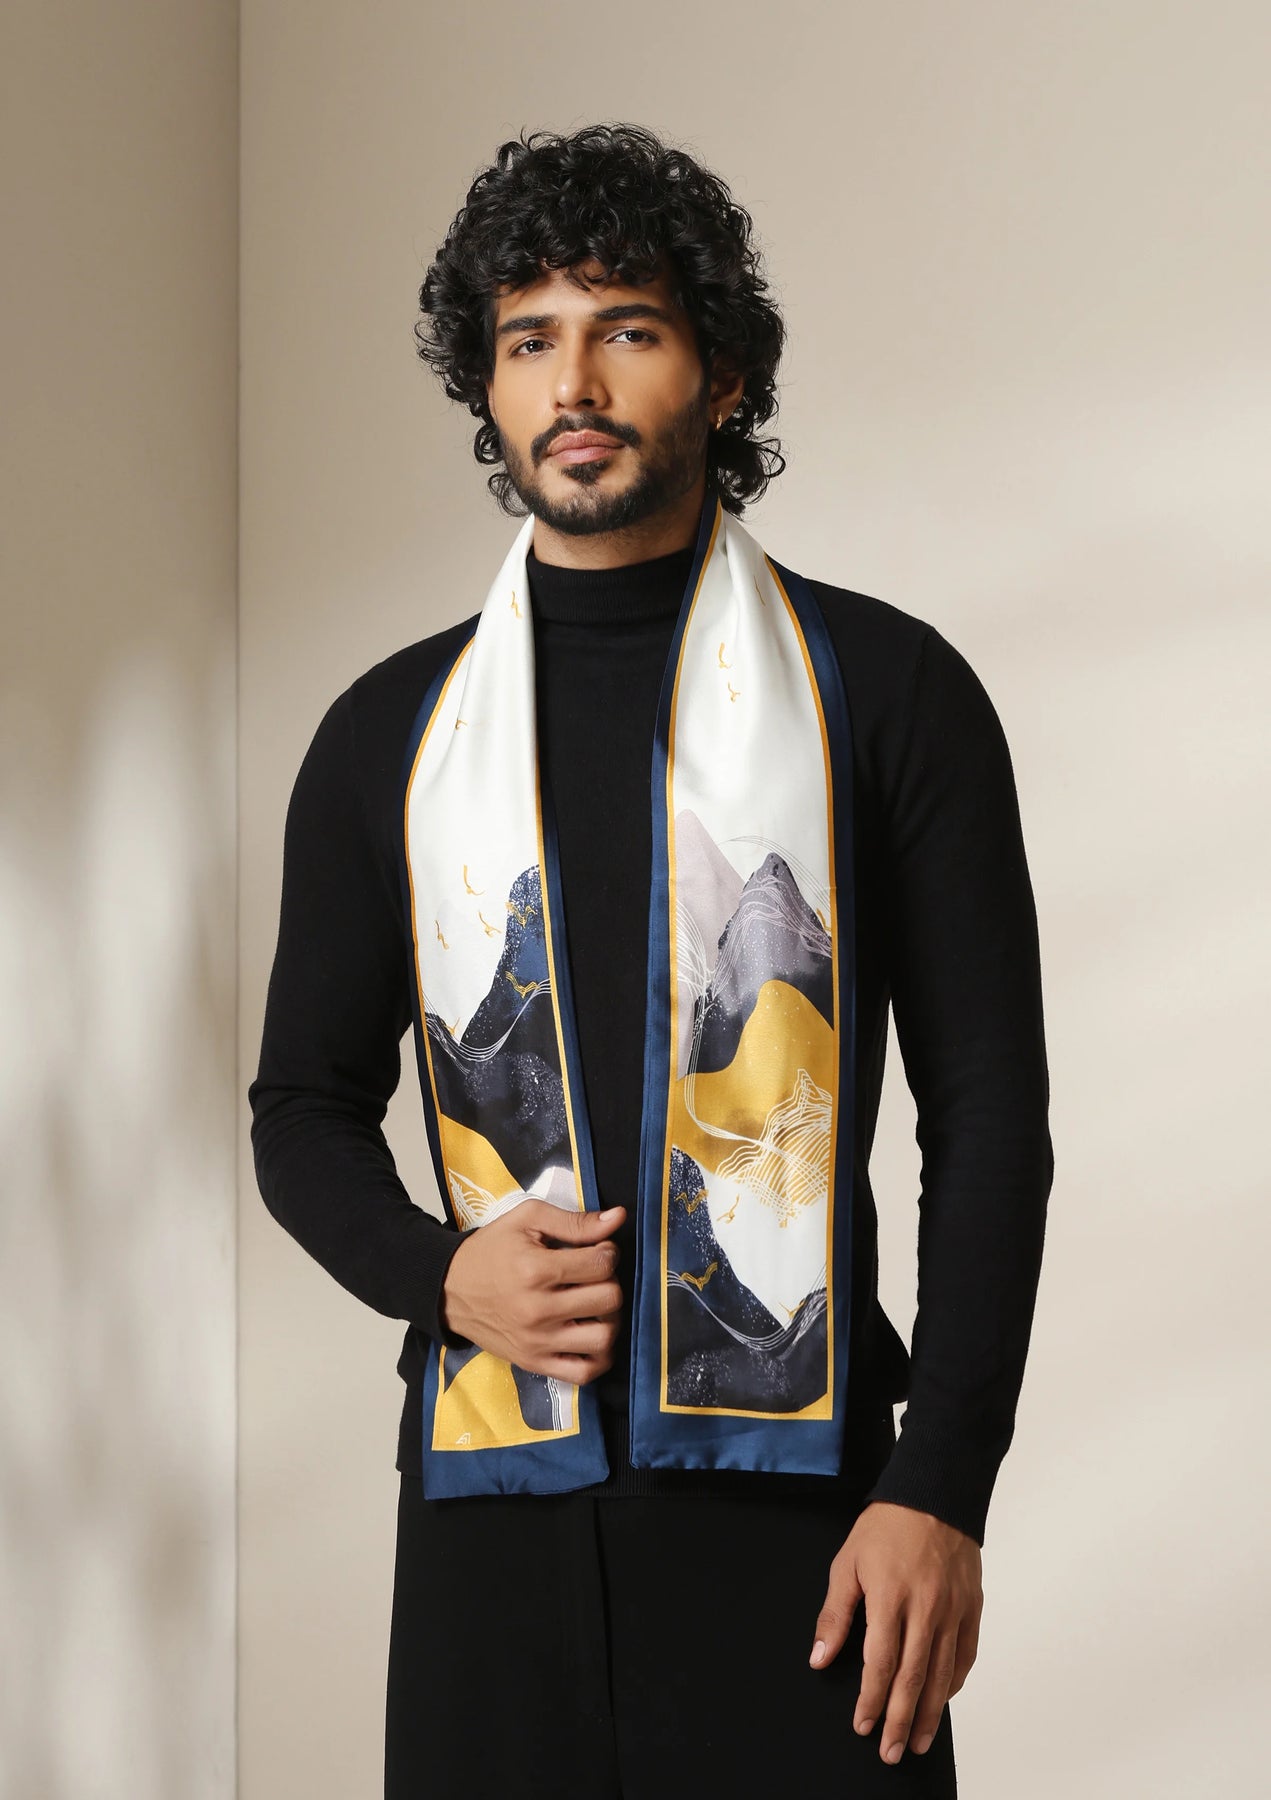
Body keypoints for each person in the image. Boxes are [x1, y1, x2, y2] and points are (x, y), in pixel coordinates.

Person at [248, 121, 1053, 1799]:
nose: (575, 383)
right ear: (487, 388)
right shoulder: (394, 734)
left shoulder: (889, 695)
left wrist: (943, 1485)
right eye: (528, 340)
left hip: (812, 1528)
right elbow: (299, 1109)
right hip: (494, 1519)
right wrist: (440, 1276)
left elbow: (989, 1121)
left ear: (725, 373)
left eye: (628, 328)